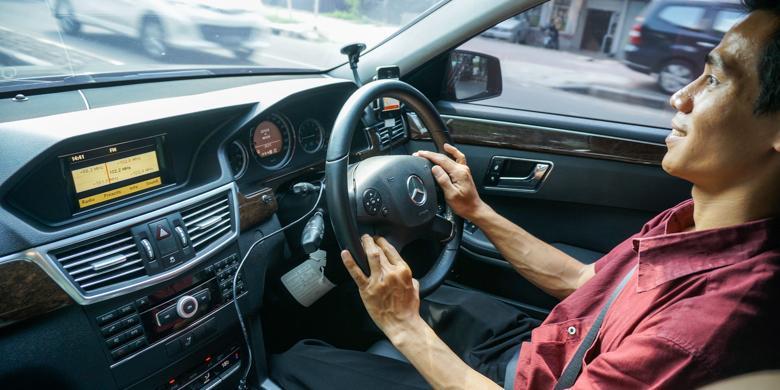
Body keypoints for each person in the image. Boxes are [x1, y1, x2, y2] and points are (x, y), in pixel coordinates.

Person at [270, 1, 780, 388]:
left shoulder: (702, 326)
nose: (680, 96)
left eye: (713, 79)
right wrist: (477, 211)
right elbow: (591, 284)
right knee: (387, 303)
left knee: (294, 363)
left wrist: (404, 328)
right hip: (547, 348)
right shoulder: (697, 220)